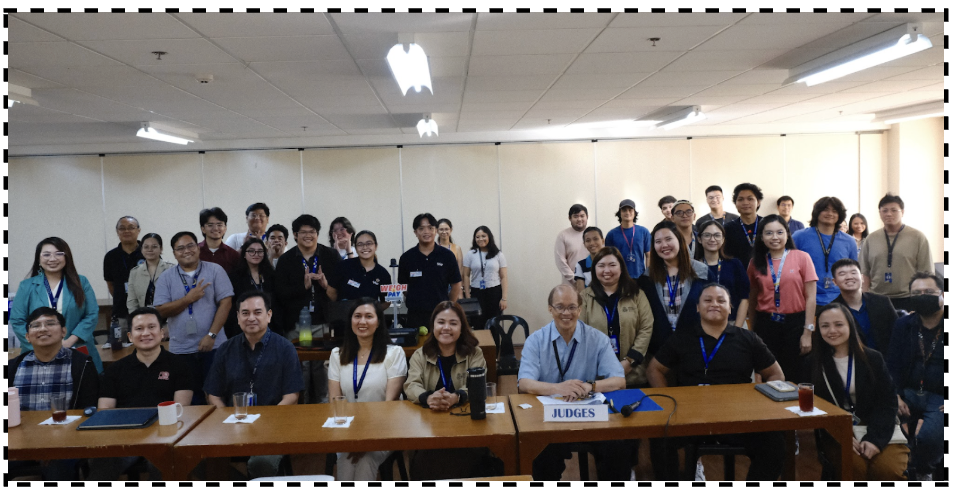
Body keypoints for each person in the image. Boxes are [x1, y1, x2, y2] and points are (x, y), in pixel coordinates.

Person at [647, 284, 786, 481]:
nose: (714, 304)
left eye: (721, 301)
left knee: (774, 444)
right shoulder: (682, 337)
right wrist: (669, 401)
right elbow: (654, 369)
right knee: (659, 437)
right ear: (697, 307)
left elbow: (776, 375)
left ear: (730, 308)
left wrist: (758, 403)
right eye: (708, 300)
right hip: (690, 419)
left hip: (737, 418)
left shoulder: (748, 339)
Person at [517, 284, 631, 481]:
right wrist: (557, 388)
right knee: (540, 457)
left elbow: (619, 380)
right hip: (549, 419)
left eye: (571, 307)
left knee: (619, 447)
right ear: (550, 309)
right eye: (559, 307)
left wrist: (590, 386)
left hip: (589, 416)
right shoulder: (536, 340)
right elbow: (524, 383)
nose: (566, 313)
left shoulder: (597, 339)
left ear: (580, 309)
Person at [204, 291, 304, 479]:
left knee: (261, 463)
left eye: (257, 312)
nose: (251, 318)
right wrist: (227, 419)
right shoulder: (226, 349)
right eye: (245, 313)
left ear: (269, 315)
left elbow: (292, 396)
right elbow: (213, 394)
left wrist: (266, 422)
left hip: (273, 427)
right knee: (197, 458)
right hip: (232, 426)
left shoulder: (284, 348)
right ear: (238, 317)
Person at [804, 303, 908, 481]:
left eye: (838, 324)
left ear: (850, 325)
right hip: (836, 428)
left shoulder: (873, 358)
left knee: (887, 471)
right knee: (854, 469)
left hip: (878, 426)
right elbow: (813, 407)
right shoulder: (812, 363)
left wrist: (875, 439)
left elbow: (887, 402)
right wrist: (839, 432)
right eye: (825, 326)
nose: (832, 331)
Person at [89, 307, 193, 481]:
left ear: (161, 333)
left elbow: (181, 408)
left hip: (165, 437)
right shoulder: (115, 370)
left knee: (164, 461)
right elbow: (105, 409)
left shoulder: (180, 366)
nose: (146, 333)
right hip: (124, 437)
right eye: (139, 329)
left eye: (151, 327)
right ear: (130, 336)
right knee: (101, 461)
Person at [8, 307, 99, 481]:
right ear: (27, 336)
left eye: (50, 323)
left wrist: (54, 446)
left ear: (63, 331)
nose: (43, 329)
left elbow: (89, 410)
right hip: (20, 444)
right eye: (36, 325)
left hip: (66, 443)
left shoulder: (82, 364)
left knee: (57, 470)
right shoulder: (14, 367)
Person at [404, 301, 488, 480]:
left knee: (465, 460)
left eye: (453, 323)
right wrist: (428, 398)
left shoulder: (474, 353)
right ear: (433, 325)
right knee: (426, 461)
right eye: (441, 322)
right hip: (429, 428)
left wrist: (457, 396)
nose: (446, 328)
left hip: (467, 429)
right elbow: (411, 385)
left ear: (462, 327)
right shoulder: (421, 354)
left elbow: (478, 386)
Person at [329, 298, 408, 481]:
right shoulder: (337, 355)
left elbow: (389, 406)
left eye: (368, 316)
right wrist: (352, 439)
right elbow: (335, 404)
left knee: (365, 460)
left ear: (378, 321)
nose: (362, 321)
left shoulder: (394, 354)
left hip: (385, 429)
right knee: (346, 461)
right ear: (350, 321)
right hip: (348, 431)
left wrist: (366, 440)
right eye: (357, 316)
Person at [153, 231, 233, 404]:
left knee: (217, 395)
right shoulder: (166, 277)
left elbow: (226, 303)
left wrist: (211, 335)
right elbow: (160, 311)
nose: (186, 251)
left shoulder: (215, 270)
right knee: (189, 400)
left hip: (214, 346)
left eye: (190, 246)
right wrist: (188, 299)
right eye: (180, 248)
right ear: (174, 253)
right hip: (181, 350)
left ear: (198, 248)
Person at [273, 214, 340, 404]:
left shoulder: (331, 256)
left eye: (312, 231)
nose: (308, 235)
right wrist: (302, 287)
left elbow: (340, 289)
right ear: (295, 235)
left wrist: (326, 285)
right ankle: (301, 408)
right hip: (296, 323)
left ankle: (323, 406)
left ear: (318, 234)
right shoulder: (286, 260)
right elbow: (279, 293)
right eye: (303, 232)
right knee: (299, 368)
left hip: (324, 321)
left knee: (322, 368)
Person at [10, 237, 103, 373]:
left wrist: (69, 342)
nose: (52, 259)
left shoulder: (81, 282)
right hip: (37, 353)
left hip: (76, 348)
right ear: (39, 259)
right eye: (46, 254)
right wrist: (40, 347)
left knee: (84, 388)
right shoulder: (26, 286)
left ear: (66, 257)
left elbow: (91, 314)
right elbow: (17, 320)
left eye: (58, 253)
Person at [885, 272, 944, 481]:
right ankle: (898, 467)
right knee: (883, 420)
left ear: (943, 294)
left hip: (940, 396)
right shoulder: (904, 324)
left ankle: (923, 470)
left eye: (928, 292)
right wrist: (896, 395)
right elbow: (892, 365)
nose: (922, 296)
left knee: (931, 438)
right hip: (908, 391)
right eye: (916, 293)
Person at [746, 215, 818, 382]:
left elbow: (811, 297)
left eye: (779, 232)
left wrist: (808, 332)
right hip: (766, 324)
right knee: (768, 374)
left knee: (795, 372)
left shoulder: (802, 257)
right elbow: (753, 297)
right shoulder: (755, 262)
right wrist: (753, 329)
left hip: (795, 324)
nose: (775, 237)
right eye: (769, 233)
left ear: (787, 234)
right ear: (762, 237)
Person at [579, 247, 654, 387]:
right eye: (601, 266)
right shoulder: (584, 297)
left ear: (621, 267)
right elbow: (580, 332)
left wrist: (630, 361)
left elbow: (646, 327)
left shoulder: (636, 294)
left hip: (633, 373)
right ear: (594, 270)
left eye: (612, 265)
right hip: (597, 375)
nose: (606, 270)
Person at [639, 221, 712, 358]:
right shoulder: (647, 277)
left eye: (668, 239)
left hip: (696, 348)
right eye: (658, 241)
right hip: (659, 351)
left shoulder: (701, 272)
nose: (664, 245)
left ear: (679, 239)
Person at [859, 194, 933, 311]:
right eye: (885, 210)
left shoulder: (917, 237)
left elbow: (926, 271)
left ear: (902, 212)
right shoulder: (871, 239)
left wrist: (922, 299)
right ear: (880, 213)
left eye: (894, 210)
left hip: (909, 298)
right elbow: (865, 273)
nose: (889, 214)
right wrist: (865, 297)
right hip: (877, 298)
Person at [398, 213, 463, 329]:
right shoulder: (406, 257)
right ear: (415, 232)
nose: (426, 231)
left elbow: (456, 284)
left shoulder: (447, 256)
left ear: (436, 230)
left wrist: (447, 305)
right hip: (415, 315)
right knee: (416, 346)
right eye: (421, 228)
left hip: (441, 314)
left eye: (430, 228)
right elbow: (404, 286)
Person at [792, 197, 858, 308]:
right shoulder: (799, 237)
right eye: (826, 209)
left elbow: (853, 271)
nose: (830, 213)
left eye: (834, 211)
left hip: (840, 299)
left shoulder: (849, 241)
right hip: (806, 298)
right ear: (817, 212)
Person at [831, 259, 898, 355]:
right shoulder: (832, 310)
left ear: (862, 278)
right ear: (835, 282)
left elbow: (897, 333)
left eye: (853, 272)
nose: (849, 277)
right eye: (842, 274)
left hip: (886, 360)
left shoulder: (882, 302)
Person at [697, 220, 749, 327]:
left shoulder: (735, 264)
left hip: (733, 323)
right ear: (699, 239)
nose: (712, 239)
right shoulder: (694, 267)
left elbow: (744, 298)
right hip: (703, 325)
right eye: (707, 235)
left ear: (723, 239)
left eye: (717, 235)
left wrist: (737, 328)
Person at [226, 238, 276, 339]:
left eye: (260, 251)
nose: (256, 254)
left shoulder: (271, 274)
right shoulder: (235, 276)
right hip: (244, 326)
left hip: (269, 324)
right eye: (251, 251)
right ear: (244, 254)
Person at [462, 226, 508, 334]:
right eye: (477, 237)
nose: (480, 239)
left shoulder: (498, 254)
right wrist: (468, 297)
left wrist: (504, 298)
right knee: (478, 324)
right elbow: (466, 276)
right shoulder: (470, 254)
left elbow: (504, 277)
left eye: (483, 236)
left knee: (494, 324)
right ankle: (480, 350)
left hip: (494, 292)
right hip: (477, 292)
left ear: (489, 237)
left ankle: (495, 350)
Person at [103, 216, 144, 326]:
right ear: (117, 232)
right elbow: (110, 284)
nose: (126, 231)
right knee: (120, 342)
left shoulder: (148, 253)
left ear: (138, 230)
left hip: (146, 310)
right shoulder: (110, 256)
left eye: (131, 227)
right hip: (121, 311)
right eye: (122, 228)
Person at [332, 230, 392, 303]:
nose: (365, 247)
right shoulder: (343, 266)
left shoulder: (383, 274)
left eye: (369, 243)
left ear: (376, 246)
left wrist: (372, 312)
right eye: (360, 244)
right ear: (356, 248)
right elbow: (331, 291)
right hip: (344, 313)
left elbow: (386, 301)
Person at [126, 233, 175, 314]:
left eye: (154, 246)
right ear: (141, 249)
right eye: (146, 247)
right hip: (143, 320)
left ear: (161, 249)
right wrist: (136, 319)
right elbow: (132, 302)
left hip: (168, 319)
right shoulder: (135, 272)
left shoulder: (171, 269)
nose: (150, 250)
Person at [605, 199, 652, 278]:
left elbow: (649, 255)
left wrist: (648, 276)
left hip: (640, 277)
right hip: (619, 277)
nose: (627, 213)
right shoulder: (611, 234)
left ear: (634, 213)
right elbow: (608, 258)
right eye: (624, 210)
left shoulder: (644, 232)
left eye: (630, 210)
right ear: (620, 213)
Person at [724, 183, 764, 262]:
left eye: (750, 199)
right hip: (738, 272)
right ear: (735, 204)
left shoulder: (768, 225)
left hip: (766, 272)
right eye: (740, 199)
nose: (745, 203)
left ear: (758, 202)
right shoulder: (728, 228)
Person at [197, 207, 241, 274]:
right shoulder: (194, 252)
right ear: (203, 229)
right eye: (210, 225)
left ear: (225, 228)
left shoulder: (233, 255)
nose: (215, 228)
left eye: (219, 225)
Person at [554, 204, 590, 285]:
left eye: (582, 216)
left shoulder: (593, 234)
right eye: (576, 216)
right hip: (570, 285)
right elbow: (560, 261)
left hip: (592, 284)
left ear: (587, 216)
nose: (579, 219)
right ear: (569, 218)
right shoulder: (563, 236)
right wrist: (576, 280)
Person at [574, 226, 604, 292]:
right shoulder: (581, 265)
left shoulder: (611, 262)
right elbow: (581, 293)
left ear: (603, 241)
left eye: (595, 239)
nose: (592, 243)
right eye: (588, 240)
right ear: (584, 244)